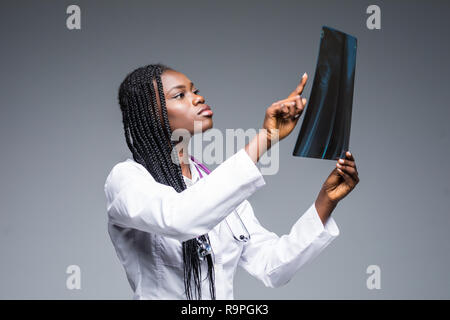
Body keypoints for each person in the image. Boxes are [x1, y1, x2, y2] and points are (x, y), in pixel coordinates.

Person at [104, 63, 359, 300]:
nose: (198, 97)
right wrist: (264, 139)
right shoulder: (127, 180)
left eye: (195, 90)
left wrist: (326, 201)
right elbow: (180, 219)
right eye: (179, 95)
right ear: (149, 114)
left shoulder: (217, 189)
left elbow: (273, 266)